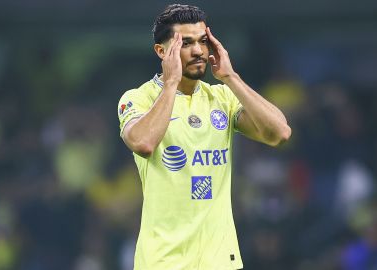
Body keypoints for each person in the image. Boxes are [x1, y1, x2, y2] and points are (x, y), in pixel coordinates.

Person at [118, 4, 291, 269]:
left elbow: (279, 133)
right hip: (164, 260)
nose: (198, 50)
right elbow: (143, 142)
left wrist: (230, 77)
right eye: (185, 43)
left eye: (202, 41)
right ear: (161, 51)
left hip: (221, 260)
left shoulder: (221, 97)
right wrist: (171, 83)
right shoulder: (138, 98)